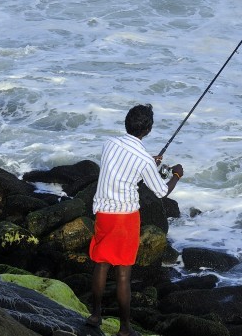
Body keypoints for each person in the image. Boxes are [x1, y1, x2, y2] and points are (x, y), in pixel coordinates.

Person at [86, 103, 183, 336]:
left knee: (101, 263)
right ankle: (125, 329)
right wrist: (177, 175)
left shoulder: (109, 143)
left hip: (103, 213)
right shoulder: (144, 160)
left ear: (126, 122)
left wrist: (149, 163)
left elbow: (122, 164)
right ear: (147, 130)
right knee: (122, 273)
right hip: (125, 219)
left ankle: (95, 315)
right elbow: (161, 191)